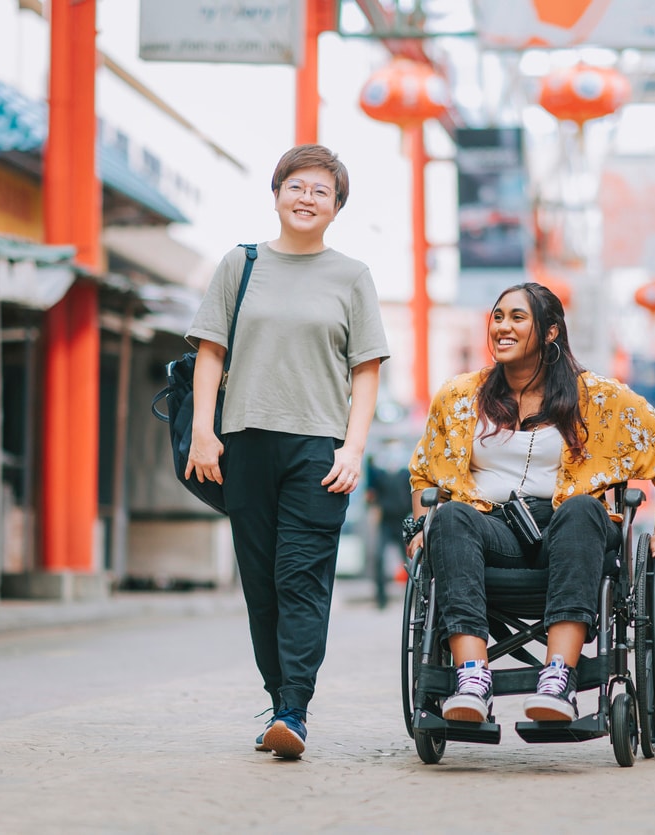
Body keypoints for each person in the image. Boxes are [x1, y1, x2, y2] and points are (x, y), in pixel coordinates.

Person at [406, 282, 655, 724]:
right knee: (449, 517)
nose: (502, 326)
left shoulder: (598, 398)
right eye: (498, 316)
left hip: (567, 530)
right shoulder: (459, 397)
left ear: (550, 333)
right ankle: (471, 677)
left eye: (517, 318)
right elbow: (425, 471)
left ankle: (558, 677)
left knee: (584, 509)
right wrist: (421, 528)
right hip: (489, 528)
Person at [184, 144, 389, 759]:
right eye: (296, 186)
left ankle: (294, 710)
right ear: (276, 194)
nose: (306, 198)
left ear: (336, 207)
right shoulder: (240, 265)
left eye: (321, 191)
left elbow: (367, 370)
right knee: (262, 584)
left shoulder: (351, 276)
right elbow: (210, 353)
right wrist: (202, 430)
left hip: (316, 450)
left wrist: (353, 448)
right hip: (244, 442)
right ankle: (279, 702)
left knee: (301, 579)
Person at [365, 436, 413, 610]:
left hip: (402, 521)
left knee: (410, 560)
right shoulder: (378, 471)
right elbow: (371, 494)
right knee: (379, 557)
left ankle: (414, 597)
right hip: (385, 520)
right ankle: (381, 598)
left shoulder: (406, 472)